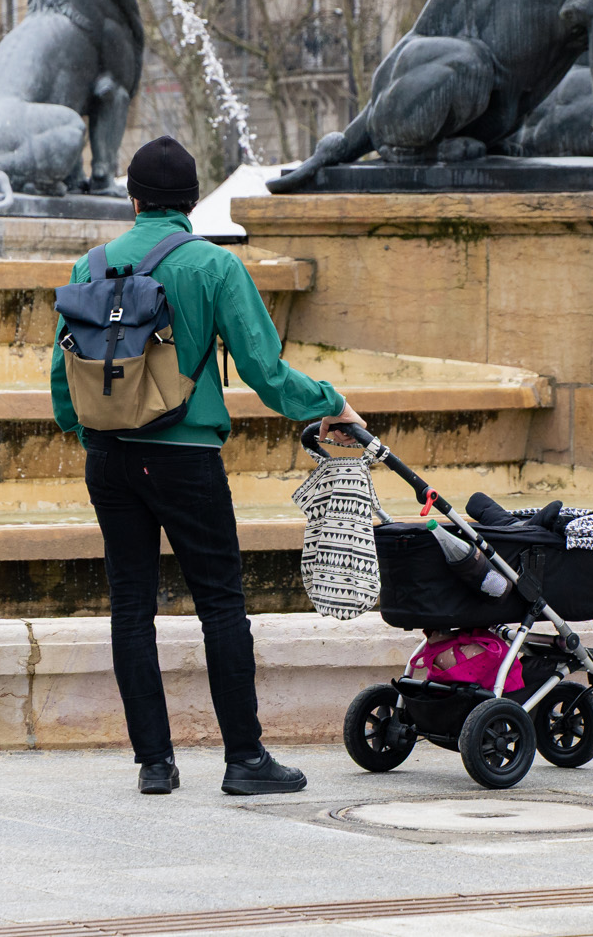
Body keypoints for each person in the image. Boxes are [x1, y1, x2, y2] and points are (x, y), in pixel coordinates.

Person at [50, 136, 363, 797]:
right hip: (187, 457)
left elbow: (62, 376)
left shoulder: (90, 266)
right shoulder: (212, 266)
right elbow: (264, 370)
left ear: (132, 199)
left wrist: (91, 435)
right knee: (221, 604)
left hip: (109, 460)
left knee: (131, 607)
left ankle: (155, 762)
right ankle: (244, 758)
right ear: (191, 203)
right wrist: (328, 403)